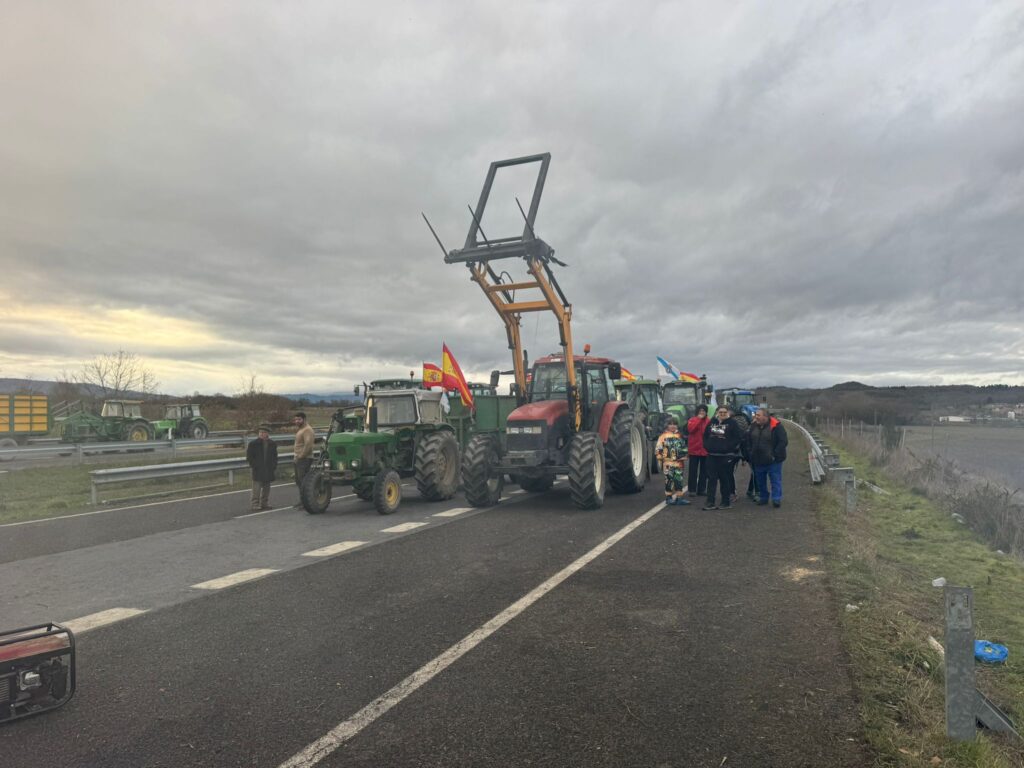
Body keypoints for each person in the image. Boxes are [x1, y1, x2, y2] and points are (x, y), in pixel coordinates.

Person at [744, 407, 789, 507]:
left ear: (765, 416)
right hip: (758, 459)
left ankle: (776, 499)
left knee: (775, 480)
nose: (756, 417)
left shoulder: (777, 426)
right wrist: (750, 452)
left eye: (758, 415)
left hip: (773, 460)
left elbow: (783, 441)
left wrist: (775, 454)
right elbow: (748, 440)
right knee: (760, 481)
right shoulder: (753, 426)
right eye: (756, 415)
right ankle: (764, 498)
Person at [701, 405, 744, 510]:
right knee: (711, 479)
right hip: (711, 455)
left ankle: (725, 502)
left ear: (727, 413)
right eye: (720, 412)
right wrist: (707, 446)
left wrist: (728, 447)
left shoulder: (732, 423)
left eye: (724, 412)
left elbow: (738, 438)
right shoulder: (712, 422)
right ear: (717, 412)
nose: (722, 414)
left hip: (726, 456)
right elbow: (705, 435)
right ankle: (710, 502)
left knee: (724, 479)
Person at [655, 417, 690, 506]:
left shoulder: (680, 436)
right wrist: (659, 458)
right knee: (669, 480)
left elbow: (684, 447)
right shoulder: (663, 436)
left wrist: (685, 455)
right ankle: (669, 497)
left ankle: (679, 498)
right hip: (667, 463)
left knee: (679, 480)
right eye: (670, 424)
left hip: (679, 463)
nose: (672, 426)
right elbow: (658, 448)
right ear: (667, 425)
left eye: (674, 424)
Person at [246, 424, 278, 511]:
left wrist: (274, 466)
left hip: (268, 469)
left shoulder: (272, 444)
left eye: (263, 432)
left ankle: (264, 503)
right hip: (258, 469)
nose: (261, 434)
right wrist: (254, 466)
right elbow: (249, 457)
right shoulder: (253, 444)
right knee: (256, 487)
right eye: (260, 432)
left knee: (267, 488)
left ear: (267, 433)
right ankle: (255, 504)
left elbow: (275, 457)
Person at [292, 411, 315, 508]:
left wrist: (301, 456)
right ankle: (302, 501)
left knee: (303, 481)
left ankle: (306, 502)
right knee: (299, 481)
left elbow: (308, 444)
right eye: (295, 419)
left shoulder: (307, 430)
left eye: (299, 419)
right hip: (299, 458)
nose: (297, 421)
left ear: (304, 419)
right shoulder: (301, 429)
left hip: (304, 459)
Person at [686, 404, 710, 496]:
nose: (702, 412)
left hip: (705, 450)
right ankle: (692, 490)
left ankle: (702, 489)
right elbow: (691, 430)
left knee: (704, 471)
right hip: (694, 449)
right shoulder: (692, 420)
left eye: (703, 411)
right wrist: (698, 420)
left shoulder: (708, 421)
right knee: (693, 471)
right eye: (700, 411)